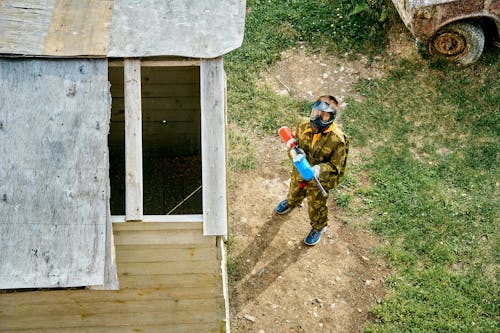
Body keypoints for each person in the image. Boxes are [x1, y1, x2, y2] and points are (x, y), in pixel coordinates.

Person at [275, 95, 349, 246]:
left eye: (323, 115)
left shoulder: (338, 140)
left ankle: (318, 226)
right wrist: (293, 152)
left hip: (318, 180)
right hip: (300, 171)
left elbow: (336, 167)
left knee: (316, 205)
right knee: (294, 190)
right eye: (316, 112)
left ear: (331, 118)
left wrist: (318, 170)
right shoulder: (303, 124)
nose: (317, 118)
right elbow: (294, 144)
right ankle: (292, 202)